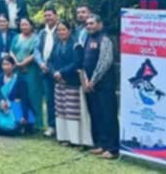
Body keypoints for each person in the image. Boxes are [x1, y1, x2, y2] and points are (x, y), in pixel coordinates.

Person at [49, 20, 93, 147]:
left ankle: (77, 139)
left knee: (73, 112)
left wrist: (61, 72)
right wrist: (54, 73)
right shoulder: (57, 44)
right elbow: (50, 61)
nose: (61, 32)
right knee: (61, 110)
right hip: (58, 82)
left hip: (72, 82)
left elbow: (76, 63)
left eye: (63, 29)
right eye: (59, 30)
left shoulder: (76, 45)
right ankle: (64, 137)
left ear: (69, 31)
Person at [82, 15, 118, 159]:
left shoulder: (105, 39)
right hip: (91, 86)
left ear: (100, 24)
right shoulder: (88, 38)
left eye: (92, 23)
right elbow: (84, 61)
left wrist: (93, 80)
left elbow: (105, 62)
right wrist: (86, 80)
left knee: (108, 116)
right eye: (87, 24)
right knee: (97, 116)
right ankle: (102, 144)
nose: (89, 26)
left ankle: (113, 148)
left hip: (104, 86)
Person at [0, 55, 34, 135]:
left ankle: (13, 127)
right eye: (3, 64)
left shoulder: (20, 80)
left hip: (14, 107)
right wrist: (1, 101)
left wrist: (24, 116)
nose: (5, 67)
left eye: (8, 64)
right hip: (2, 106)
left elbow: (24, 99)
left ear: (13, 66)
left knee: (9, 125)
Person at [10, 16, 44, 131]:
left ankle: (35, 124)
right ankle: (21, 121)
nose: (23, 27)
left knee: (33, 95)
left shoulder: (36, 38)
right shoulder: (16, 37)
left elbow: (36, 53)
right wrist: (17, 63)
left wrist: (24, 63)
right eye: (22, 25)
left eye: (26, 24)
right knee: (18, 96)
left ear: (31, 26)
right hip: (17, 70)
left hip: (31, 71)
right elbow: (11, 51)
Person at [34, 5, 59, 136]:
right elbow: (36, 50)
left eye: (50, 15)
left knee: (60, 100)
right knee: (49, 99)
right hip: (44, 70)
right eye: (45, 16)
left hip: (58, 71)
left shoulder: (60, 30)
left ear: (56, 16)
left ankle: (62, 128)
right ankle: (51, 125)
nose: (47, 18)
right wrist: (41, 63)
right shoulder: (42, 32)